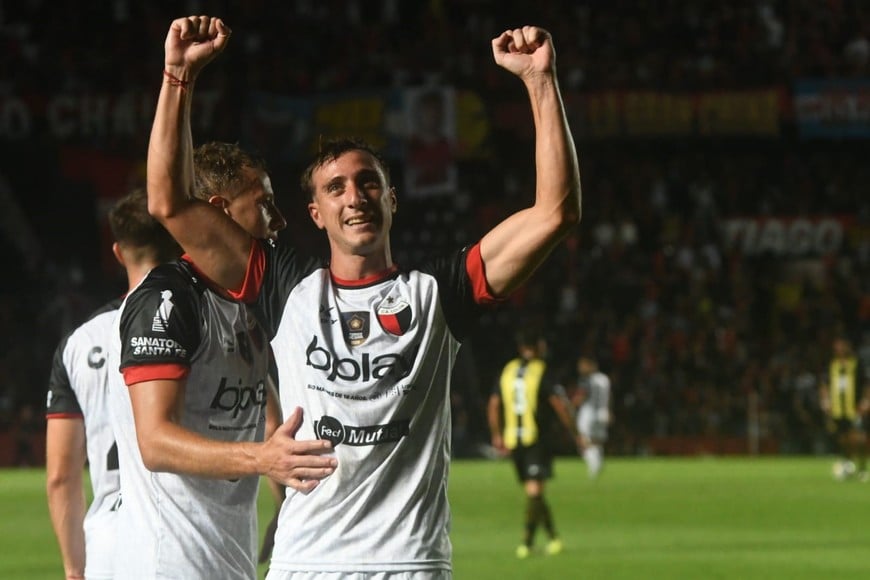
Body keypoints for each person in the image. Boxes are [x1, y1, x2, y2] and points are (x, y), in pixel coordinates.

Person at [146, 15, 581, 577]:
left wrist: (541, 81)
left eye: (368, 181)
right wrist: (177, 76)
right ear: (315, 213)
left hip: (409, 563)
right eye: (336, 188)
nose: (355, 196)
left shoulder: (439, 292)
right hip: (308, 563)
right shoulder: (285, 286)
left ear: (392, 199)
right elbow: (169, 202)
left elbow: (555, 213)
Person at [108, 143, 336, 579]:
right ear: (219, 210)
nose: (279, 220)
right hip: (168, 564)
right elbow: (155, 442)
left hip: (229, 555)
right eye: (264, 203)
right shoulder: (167, 299)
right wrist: (262, 460)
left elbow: (267, 415)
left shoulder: (250, 302)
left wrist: (284, 504)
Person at [45, 187, 181, 580]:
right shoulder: (208, 319)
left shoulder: (79, 343)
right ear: (176, 243)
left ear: (119, 253)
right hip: (183, 535)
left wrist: (75, 569)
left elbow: (61, 476)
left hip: (108, 546)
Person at [487, 332, 581, 559]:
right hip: (536, 438)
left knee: (534, 491)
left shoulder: (508, 370)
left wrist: (497, 434)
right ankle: (527, 544)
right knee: (535, 491)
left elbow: (494, 403)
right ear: (539, 346)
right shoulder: (542, 370)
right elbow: (559, 403)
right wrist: (574, 432)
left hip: (513, 439)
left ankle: (553, 539)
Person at [819, 336, 869, 481]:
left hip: (855, 408)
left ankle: (863, 468)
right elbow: (824, 384)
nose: (839, 349)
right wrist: (825, 401)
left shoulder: (857, 364)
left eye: (842, 345)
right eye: (837, 346)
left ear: (847, 346)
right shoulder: (831, 365)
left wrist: (866, 401)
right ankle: (847, 465)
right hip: (838, 409)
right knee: (843, 439)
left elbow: (866, 384)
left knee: (858, 439)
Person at [572, 355, 612, 480]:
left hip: (588, 412)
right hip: (603, 412)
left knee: (583, 439)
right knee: (596, 440)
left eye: (582, 365)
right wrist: (609, 410)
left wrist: (572, 405)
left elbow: (582, 395)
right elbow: (609, 396)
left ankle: (594, 463)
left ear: (590, 365)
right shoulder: (604, 379)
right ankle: (598, 460)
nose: (580, 368)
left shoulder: (587, 379)